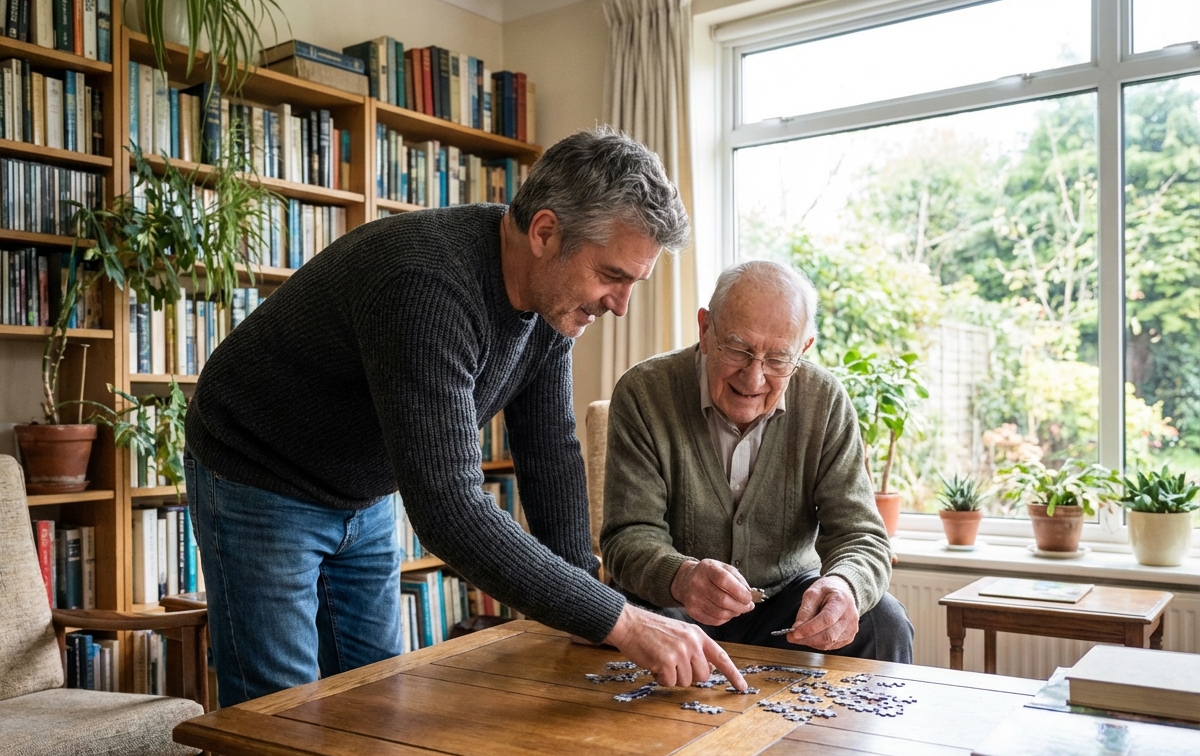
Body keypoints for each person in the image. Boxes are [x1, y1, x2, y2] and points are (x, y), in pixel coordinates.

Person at [184, 129, 749, 706]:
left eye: (634, 281)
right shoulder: (427, 284)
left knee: (376, 702)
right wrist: (623, 622)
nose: (620, 303)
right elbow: (450, 509)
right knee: (281, 719)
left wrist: (587, 607)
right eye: (612, 276)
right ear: (545, 232)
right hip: (257, 472)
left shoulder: (551, 305)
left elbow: (550, 454)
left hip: (361, 489)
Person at [601, 260, 914, 661]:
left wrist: (844, 585)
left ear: (804, 349)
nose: (753, 378)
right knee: (623, 621)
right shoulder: (644, 393)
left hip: (786, 607)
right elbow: (627, 535)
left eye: (778, 359)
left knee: (884, 620)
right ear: (705, 329)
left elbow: (862, 535)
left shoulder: (825, 401)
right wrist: (680, 576)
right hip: (675, 606)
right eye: (738, 349)